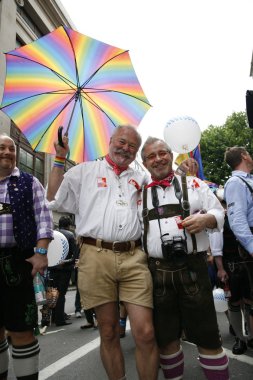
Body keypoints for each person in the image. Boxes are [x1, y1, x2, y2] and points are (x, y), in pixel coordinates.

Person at [46, 125, 195, 380]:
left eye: (132, 147)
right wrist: (60, 158)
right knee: (108, 331)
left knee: (146, 332)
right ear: (111, 140)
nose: (125, 149)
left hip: (134, 256)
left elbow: (165, 185)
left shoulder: (141, 176)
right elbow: (53, 198)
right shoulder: (84, 171)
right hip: (94, 255)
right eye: (122, 142)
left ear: (136, 153)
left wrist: (182, 170)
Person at [139, 137, 229, 380]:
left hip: (193, 270)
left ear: (170, 155)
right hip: (157, 274)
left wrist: (206, 220)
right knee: (167, 340)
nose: (158, 159)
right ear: (145, 163)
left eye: (162, 153)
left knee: (208, 336)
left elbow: (218, 211)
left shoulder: (195, 184)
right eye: (151, 156)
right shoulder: (139, 195)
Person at [0, 133, 53, 380]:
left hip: (17, 262)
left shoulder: (29, 182)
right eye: (2, 148)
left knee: (21, 329)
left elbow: (44, 219)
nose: (8, 152)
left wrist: (41, 253)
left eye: (11, 148)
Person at [224, 146, 253, 350]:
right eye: (248, 153)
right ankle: (244, 340)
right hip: (246, 247)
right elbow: (237, 220)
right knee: (243, 298)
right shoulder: (235, 182)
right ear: (243, 156)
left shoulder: (247, 180)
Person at [50, 216, 78, 326]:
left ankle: (53, 317)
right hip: (64, 269)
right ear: (69, 225)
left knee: (53, 293)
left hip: (52, 267)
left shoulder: (52, 234)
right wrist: (66, 262)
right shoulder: (71, 235)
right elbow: (74, 255)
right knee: (61, 294)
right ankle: (60, 319)